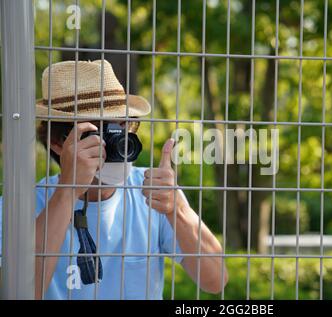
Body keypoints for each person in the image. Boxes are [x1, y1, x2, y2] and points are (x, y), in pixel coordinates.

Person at [0, 60, 228, 299]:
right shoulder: (21, 207)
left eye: (123, 125)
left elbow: (216, 280)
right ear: (58, 142)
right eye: (100, 130)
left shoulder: (153, 192)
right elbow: (17, 294)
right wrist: (68, 191)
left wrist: (178, 212)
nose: (118, 139)